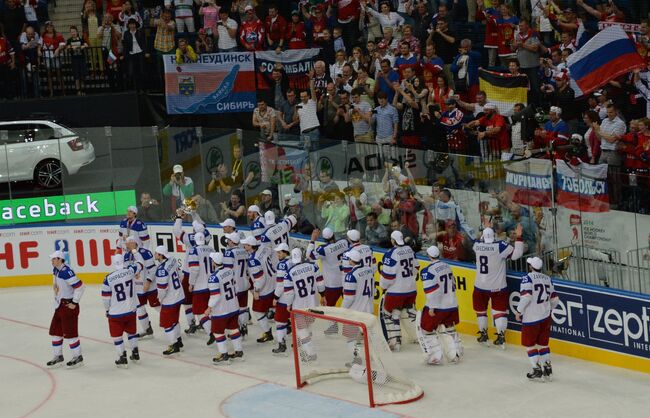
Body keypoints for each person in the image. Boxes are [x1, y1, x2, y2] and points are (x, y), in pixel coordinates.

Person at [473, 221, 524, 348]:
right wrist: (519, 237)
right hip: (498, 286)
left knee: (481, 312)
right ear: (494, 236)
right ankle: (501, 336)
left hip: (480, 285)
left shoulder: (477, 245)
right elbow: (517, 255)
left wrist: (487, 228)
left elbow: (483, 239)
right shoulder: (500, 246)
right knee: (499, 312)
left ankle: (484, 334)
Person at [514, 257, 559, 382]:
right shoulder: (548, 279)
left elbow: (526, 297)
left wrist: (519, 311)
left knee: (530, 345)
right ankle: (547, 368)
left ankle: (537, 369)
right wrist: (549, 310)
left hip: (531, 318)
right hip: (545, 317)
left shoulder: (527, 278)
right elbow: (555, 300)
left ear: (530, 267)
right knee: (543, 344)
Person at [418, 246, 462, 365]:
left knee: (426, 329)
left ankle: (435, 355)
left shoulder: (428, 271)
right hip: (452, 304)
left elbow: (431, 292)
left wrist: (432, 307)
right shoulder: (448, 266)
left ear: (428, 255)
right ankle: (456, 352)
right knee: (449, 328)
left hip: (439, 306)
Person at [380, 230, 418, 352]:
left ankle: (395, 342)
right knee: (406, 312)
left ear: (392, 240)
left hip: (396, 291)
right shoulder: (410, 250)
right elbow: (416, 268)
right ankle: (417, 336)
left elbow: (388, 276)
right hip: (411, 290)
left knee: (388, 313)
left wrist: (384, 287)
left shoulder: (391, 253)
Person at [102, 254, 142, 368]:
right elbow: (140, 264)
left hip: (116, 313)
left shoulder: (108, 278)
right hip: (131, 309)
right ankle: (135, 353)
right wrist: (134, 251)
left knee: (117, 336)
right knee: (132, 333)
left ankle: (122, 357)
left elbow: (106, 298)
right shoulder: (130, 271)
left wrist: (107, 310)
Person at [284, 248, 324, 361]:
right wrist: (323, 295)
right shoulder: (313, 266)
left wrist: (288, 305)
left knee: (302, 330)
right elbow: (320, 282)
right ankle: (306, 346)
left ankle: (311, 354)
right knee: (308, 327)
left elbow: (289, 293)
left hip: (299, 306)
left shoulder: (289, 273)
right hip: (313, 304)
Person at [47, 250, 85, 368]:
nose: (51, 261)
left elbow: (80, 287)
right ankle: (58, 356)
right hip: (59, 306)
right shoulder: (56, 270)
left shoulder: (66, 272)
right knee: (55, 332)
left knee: (71, 333)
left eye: (53, 259)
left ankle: (78, 357)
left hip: (68, 306)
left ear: (59, 259)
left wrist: (74, 302)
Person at [206, 252, 244, 365]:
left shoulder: (213, 278)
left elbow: (215, 296)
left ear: (214, 262)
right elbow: (235, 286)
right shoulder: (229, 271)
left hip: (221, 310)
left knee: (217, 332)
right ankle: (238, 352)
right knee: (233, 329)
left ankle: (224, 355)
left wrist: (209, 307)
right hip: (233, 306)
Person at [123, 236, 158, 338]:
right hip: (137, 288)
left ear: (134, 243)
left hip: (150, 286)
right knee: (140, 309)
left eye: (128, 243)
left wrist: (148, 281)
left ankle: (171, 324)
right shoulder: (126, 256)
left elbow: (152, 269)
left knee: (157, 306)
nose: (126, 245)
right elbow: (127, 272)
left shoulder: (145, 252)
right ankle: (147, 330)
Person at [242, 235, 276, 343]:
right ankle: (287, 326)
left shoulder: (253, 260)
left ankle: (268, 333)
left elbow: (261, 278)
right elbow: (270, 250)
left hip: (264, 289)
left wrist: (256, 290)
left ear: (250, 246)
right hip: (273, 283)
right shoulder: (263, 248)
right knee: (275, 307)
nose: (244, 245)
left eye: (246, 244)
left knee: (257, 311)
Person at [153, 245, 185, 356]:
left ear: (161, 255)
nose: (155, 254)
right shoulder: (172, 259)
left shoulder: (161, 270)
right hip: (179, 295)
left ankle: (174, 345)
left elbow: (162, 288)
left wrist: (160, 299)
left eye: (156, 253)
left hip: (170, 300)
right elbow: (181, 275)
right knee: (175, 320)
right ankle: (179, 340)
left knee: (167, 323)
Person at [306, 228, 349, 307]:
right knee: (349, 309)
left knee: (327, 310)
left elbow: (308, 256)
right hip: (346, 281)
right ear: (333, 235)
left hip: (332, 285)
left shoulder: (324, 249)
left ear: (324, 239)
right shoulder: (344, 242)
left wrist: (312, 240)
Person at [222, 232, 251, 337]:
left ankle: (236, 330)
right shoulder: (244, 251)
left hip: (235, 285)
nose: (227, 241)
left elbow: (227, 271)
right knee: (243, 307)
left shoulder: (229, 253)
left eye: (229, 240)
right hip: (244, 283)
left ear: (232, 241)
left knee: (233, 308)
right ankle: (244, 326)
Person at [187, 232, 213, 342]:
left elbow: (194, 269)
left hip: (200, 286)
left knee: (199, 313)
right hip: (212, 285)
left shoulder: (194, 250)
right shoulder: (211, 249)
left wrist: (191, 283)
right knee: (211, 310)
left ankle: (213, 334)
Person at [271, 243, 293, 355]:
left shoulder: (282, 265)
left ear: (285, 252)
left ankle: (281, 345)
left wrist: (275, 297)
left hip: (284, 298)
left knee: (279, 321)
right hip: (294, 298)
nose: (277, 254)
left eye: (279, 252)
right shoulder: (293, 262)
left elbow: (280, 284)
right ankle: (298, 343)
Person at [122, 18, 149, 92]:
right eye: (130, 24)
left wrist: (146, 52)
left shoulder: (140, 32)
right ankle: (134, 89)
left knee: (142, 72)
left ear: (135, 25)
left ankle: (143, 88)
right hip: (131, 54)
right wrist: (124, 55)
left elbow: (144, 43)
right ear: (128, 25)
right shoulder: (126, 33)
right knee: (131, 72)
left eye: (133, 24)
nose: (132, 26)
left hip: (140, 53)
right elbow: (125, 46)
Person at [66, 26, 88, 96]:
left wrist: (83, 46)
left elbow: (86, 45)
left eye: (74, 31)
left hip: (81, 59)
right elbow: (68, 48)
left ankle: (83, 90)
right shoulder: (69, 40)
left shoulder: (81, 40)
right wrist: (71, 48)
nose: (73, 33)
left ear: (77, 32)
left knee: (82, 75)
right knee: (76, 76)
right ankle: (78, 90)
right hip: (74, 60)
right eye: (71, 32)